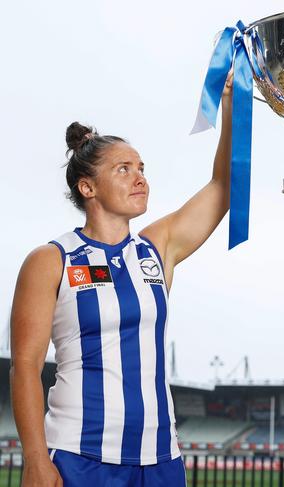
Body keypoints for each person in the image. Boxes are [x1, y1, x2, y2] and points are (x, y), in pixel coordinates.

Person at [10, 77, 233, 487]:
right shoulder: (50, 260)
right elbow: (25, 365)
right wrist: (36, 459)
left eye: (142, 169)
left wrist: (233, 107)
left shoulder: (156, 247)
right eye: (124, 169)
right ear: (87, 186)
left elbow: (223, 187)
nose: (140, 178)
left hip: (161, 459)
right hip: (80, 456)